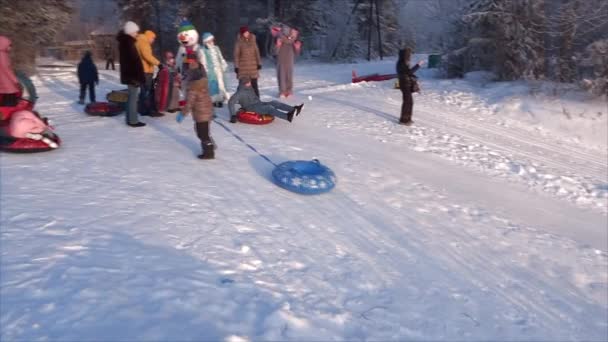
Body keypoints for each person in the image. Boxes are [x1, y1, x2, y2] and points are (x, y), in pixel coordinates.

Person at [176, 60, 215, 160]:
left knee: (202, 134)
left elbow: (189, 104)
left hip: (201, 115)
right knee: (203, 132)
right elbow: (208, 99)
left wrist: (182, 114)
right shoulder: (204, 84)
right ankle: (210, 145)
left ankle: (209, 153)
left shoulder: (193, 89)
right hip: (207, 113)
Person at [228, 76, 303, 123]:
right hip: (251, 107)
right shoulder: (240, 92)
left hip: (258, 104)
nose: (250, 83)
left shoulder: (249, 88)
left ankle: (293, 109)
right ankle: (287, 117)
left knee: (274, 103)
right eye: (248, 83)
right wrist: (233, 115)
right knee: (269, 108)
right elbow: (231, 102)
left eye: (249, 82)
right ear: (244, 84)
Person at [117, 21, 146, 127]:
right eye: (135, 32)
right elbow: (131, 62)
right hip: (132, 76)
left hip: (130, 75)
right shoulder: (128, 44)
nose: (136, 34)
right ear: (130, 32)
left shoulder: (126, 42)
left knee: (131, 97)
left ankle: (130, 119)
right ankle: (133, 120)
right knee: (133, 98)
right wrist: (135, 77)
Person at [136, 30, 163, 117]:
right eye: (153, 38)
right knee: (148, 91)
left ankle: (142, 109)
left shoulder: (139, 40)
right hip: (145, 71)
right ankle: (150, 110)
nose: (153, 40)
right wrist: (158, 63)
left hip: (141, 70)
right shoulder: (144, 42)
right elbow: (147, 55)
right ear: (149, 36)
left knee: (144, 91)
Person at [396, 47, 424, 125]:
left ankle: (407, 118)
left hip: (406, 83)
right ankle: (404, 120)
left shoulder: (403, 62)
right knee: (407, 102)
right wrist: (418, 65)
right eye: (408, 55)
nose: (409, 57)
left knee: (409, 102)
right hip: (404, 84)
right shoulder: (401, 63)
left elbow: (408, 73)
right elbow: (408, 72)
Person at [201, 32, 228, 107]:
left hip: (219, 70)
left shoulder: (216, 48)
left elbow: (220, 57)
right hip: (211, 71)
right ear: (205, 42)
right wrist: (206, 70)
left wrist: (223, 64)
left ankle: (219, 100)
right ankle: (213, 100)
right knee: (212, 85)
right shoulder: (203, 50)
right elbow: (203, 62)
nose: (211, 42)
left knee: (221, 85)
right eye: (209, 41)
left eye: (212, 40)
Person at [234, 26, 262, 98]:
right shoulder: (239, 42)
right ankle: (242, 102)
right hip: (243, 68)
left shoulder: (253, 40)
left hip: (253, 68)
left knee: (254, 85)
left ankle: (257, 101)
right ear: (242, 34)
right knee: (242, 87)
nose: (247, 33)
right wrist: (236, 67)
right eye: (245, 32)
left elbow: (257, 52)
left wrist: (259, 63)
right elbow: (236, 55)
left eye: (247, 32)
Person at [275, 26, 302, 98]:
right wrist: (277, 46)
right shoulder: (279, 38)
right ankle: (282, 91)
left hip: (290, 60)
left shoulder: (294, 40)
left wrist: (297, 48)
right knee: (282, 76)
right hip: (281, 60)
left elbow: (297, 53)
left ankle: (288, 91)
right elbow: (274, 52)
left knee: (289, 76)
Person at [0, 36, 20, 107]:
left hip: (2, 82)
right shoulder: (2, 54)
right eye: (9, 45)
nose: (10, 48)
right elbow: (6, 69)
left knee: (3, 101)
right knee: (10, 102)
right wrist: (15, 81)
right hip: (6, 82)